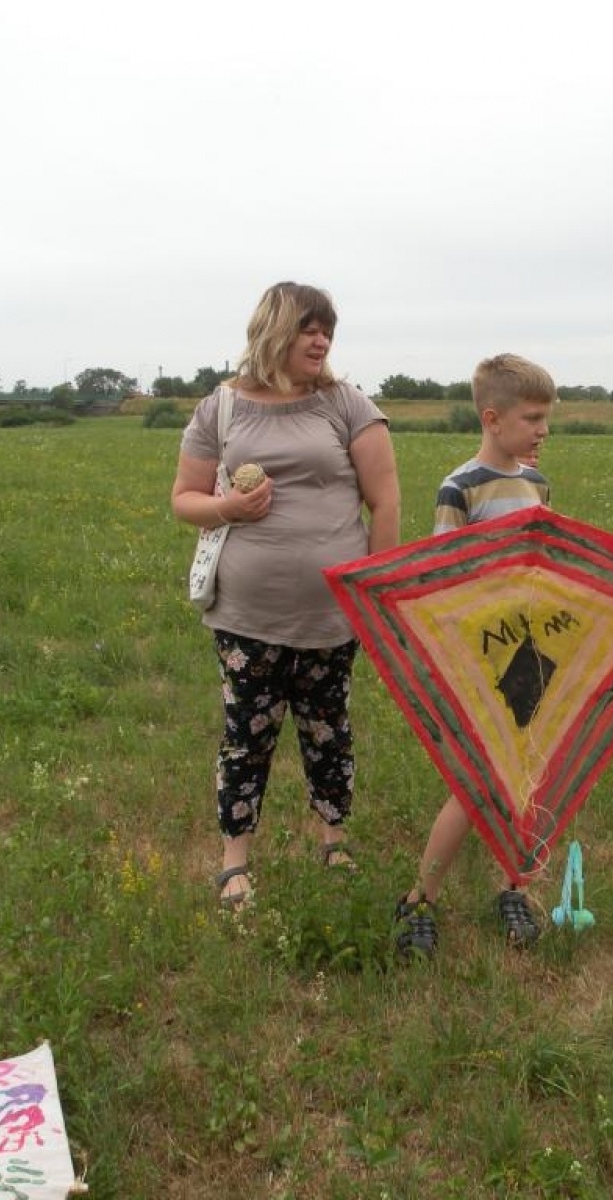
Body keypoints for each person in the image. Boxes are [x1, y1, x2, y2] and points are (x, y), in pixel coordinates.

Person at [171, 282, 401, 907]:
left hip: (332, 613)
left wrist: (374, 591)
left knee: (328, 730)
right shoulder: (222, 407)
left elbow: (384, 500)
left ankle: (334, 840)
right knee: (248, 733)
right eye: (308, 328)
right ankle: (234, 860)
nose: (321, 340)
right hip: (245, 613)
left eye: (327, 330)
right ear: (274, 331)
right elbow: (184, 499)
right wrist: (227, 506)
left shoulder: (346, 403)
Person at [393, 353, 556, 957]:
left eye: (546, 418)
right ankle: (418, 899)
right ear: (493, 417)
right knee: (474, 781)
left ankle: (514, 886)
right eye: (533, 417)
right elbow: (443, 579)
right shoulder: (460, 488)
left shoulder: (537, 485)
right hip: (479, 656)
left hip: (535, 654)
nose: (543, 430)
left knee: (524, 777)